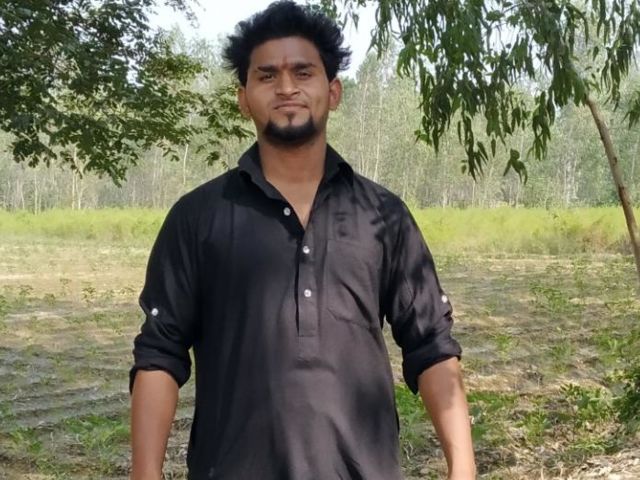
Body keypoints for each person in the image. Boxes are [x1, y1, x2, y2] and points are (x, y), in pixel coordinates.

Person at [129, 1, 475, 479]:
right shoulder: (198, 218)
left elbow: (431, 344)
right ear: (243, 98)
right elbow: (159, 354)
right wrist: (144, 473)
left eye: (303, 72)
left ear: (333, 91)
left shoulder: (382, 215)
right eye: (267, 75)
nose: (286, 87)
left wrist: (464, 467)